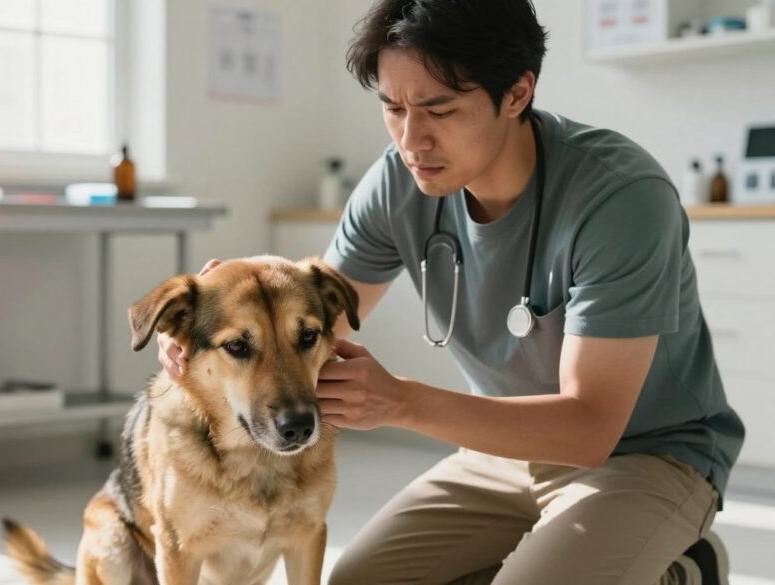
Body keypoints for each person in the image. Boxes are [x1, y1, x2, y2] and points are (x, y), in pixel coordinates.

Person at [158, 1, 743, 583]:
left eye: (439, 109)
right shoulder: (397, 181)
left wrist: (402, 402)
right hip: (502, 452)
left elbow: (591, 430)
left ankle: (681, 570)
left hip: (645, 455)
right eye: (393, 108)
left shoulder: (620, 198)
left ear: (516, 94)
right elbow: (314, 324)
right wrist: (216, 324)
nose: (412, 140)